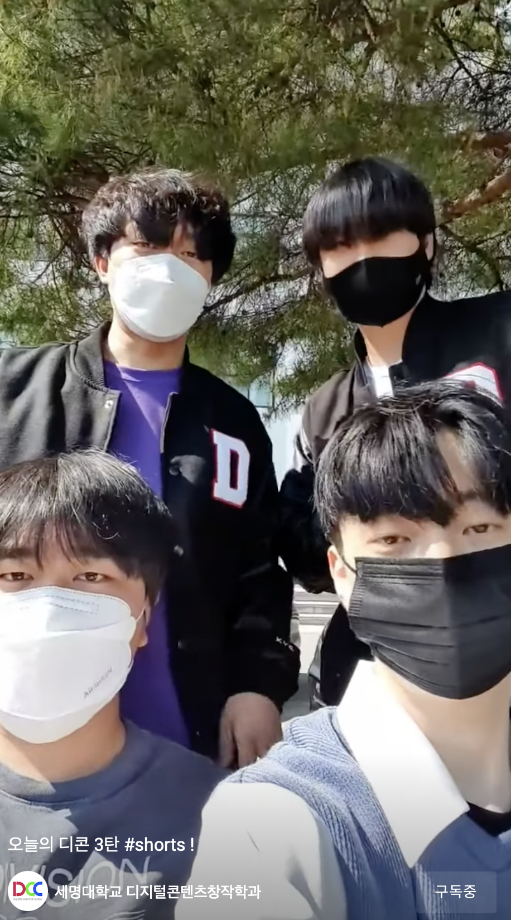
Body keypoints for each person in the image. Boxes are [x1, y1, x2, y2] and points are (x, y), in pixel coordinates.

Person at [0, 168, 299, 765]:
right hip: (26, 733)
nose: (169, 269)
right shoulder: (14, 391)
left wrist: (257, 685)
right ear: (102, 261)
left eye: (190, 255)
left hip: (187, 731)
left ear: (210, 276)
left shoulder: (232, 420)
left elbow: (258, 567)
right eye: (148, 246)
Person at [179, 382, 511, 919]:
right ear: (341, 572)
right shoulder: (267, 829)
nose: (443, 563)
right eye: (394, 540)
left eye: (479, 527)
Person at [280, 156, 511, 707]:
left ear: (426, 244)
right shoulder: (325, 410)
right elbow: (315, 551)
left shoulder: (499, 334)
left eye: (381, 235)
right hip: (375, 676)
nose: (363, 259)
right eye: (341, 246)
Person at [0, 451, 221, 919]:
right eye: (15, 576)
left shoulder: (221, 814)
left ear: (144, 617)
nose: (49, 612)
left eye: (90, 576)